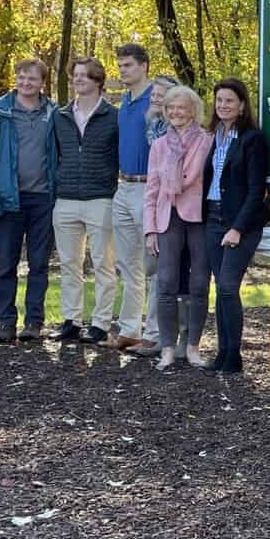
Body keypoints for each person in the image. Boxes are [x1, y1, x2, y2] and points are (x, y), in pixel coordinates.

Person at [0, 59, 58, 344]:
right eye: (22, 77)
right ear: (16, 79)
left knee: (39, 264)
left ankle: (33, 323)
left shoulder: (53, 113)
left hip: (43, 200)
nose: (26, 83)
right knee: (6, 265)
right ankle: (6, 323)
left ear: (42, 82)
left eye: (32, 79)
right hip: (7, 200)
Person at [198, 78, 268, 373]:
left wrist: (237, 228)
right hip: (212, 218)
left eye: (229, 101)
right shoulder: (213, 136)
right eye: (219, 100)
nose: (223, 105)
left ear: (241, 105)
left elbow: (256, 190)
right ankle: (222, 354)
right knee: (220, 288)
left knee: (228, 286)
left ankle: (234, 355)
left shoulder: (252, 139)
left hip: (241, 223)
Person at [51, 57, 120, 344]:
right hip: (65, 198)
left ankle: (101, 323)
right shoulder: (60, 115)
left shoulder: (113, 116)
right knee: (69, 263)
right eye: (76, 75)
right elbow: (54, 153)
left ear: (98, 81)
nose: (78, 80)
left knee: (103, 263)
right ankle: (71, 320)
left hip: (101, 197)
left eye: (85, 75)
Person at [146, 85, 213, 370]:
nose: (176, 112)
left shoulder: (208, 141)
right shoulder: (159, 145)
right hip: (167, 217)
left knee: (199, 283)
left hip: (200, 218)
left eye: (182, 107)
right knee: (166, 283)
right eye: (171, 107)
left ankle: (194, 348)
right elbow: (151, 189)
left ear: (193, 110)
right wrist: (150, 229)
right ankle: (168, 350)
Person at [110, 43, 159, 353]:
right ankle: (129, 330)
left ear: (144, 66)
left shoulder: (157, 98)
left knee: (154, 266)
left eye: (128, 65)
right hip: (124, 186)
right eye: (120, 65)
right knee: (128, 266)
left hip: (148, 188)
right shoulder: (125, 101)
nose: (122, 70)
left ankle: (154, 333)